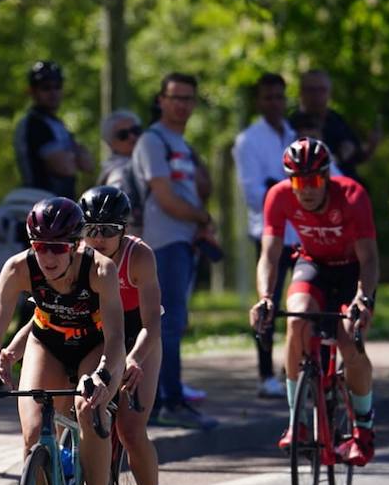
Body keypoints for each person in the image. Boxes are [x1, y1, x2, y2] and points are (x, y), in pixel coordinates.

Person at [0, 186, 165, 485]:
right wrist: (13, 349)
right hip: (89, 334)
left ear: (124, 229)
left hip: (134, 338)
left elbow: (152, 323)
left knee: (130, 428)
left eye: (108, 230)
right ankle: (65, 483)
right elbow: (49, 316)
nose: (99, 238)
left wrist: (134, 358)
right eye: (92, 229)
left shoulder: (137, 258)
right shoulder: (71, 257)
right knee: (59, 416)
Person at [0, 197, 125, 485]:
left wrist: (102, 373)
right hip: (47, 342)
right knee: (34, 432)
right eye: (40, 247)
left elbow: (116, 338)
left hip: (94, 344)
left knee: (90, 409)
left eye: (57, 248)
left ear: (75, 245)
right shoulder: (17, 268)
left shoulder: (100, 269)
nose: (48, 257)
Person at [250, 137, 379, 464]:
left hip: (352, 272)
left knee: (350, 342)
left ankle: (363, 428)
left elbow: (369, 259)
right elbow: (269, 255)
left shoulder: (352, 195)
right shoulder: (278, 196)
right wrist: (265, 297)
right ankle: (299, 423)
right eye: (298, 181)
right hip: (314, 265)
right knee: (296, 321)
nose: (306, 189)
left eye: (313, 181)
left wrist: (362, 299)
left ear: (326, 176)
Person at [133, 72, 218, 430]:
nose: (182, 104)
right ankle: (168, 402)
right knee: (165, 324)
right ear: (161, 100)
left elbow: (202, 187)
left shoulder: (182, 145)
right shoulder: (153, 141)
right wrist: (202, 216)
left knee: (172, 323)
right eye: (176, 97)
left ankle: (161, 399)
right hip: (162, 244)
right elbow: (166, 198)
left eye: (189, 98)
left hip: (183, 243)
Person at [233, 72, 300, 399]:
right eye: (268, 97)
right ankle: (264, 374)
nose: (275, 102)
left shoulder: (293, 134)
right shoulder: (248, 140)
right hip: (269, 232)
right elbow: (253, 191)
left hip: (300, 232)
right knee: (268, 302)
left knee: (302, 301)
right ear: (259, 101)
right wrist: (287, 192)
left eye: (279, 96)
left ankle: (297, 367)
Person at [13, 60, 93, 199]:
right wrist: (75, 154)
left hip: (62, 203)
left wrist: (70, 156)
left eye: (58, 86)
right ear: (32, 91)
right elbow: (65, 168)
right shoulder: (34, 124)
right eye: (46, 87)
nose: (53, 92)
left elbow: (87, 165)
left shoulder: (58, 124)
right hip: (39, 202)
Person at [289, 69, 380, 181]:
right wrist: (338, 157)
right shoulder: (293, 125)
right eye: (311, 90)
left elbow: (358, 156)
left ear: (329, 92)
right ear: (301, 92)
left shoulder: (336, 120)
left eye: (322, 90)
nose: (317, 95)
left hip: (349, 188)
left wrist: (371, 146)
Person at [96, 110, 144, 235]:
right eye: (123, 135)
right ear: (111, 143)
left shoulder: (142, 163)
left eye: (136, 131)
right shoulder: (119, 173)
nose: (132, 137)